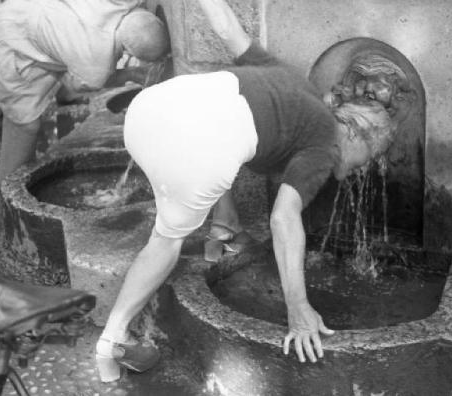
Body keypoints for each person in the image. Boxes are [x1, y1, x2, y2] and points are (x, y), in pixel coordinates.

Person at [96, 0, 396, 382]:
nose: (364, 168)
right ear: (354, 133)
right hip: (191, 152)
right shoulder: (325, 144)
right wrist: (298, 308)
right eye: (370, 156)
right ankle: (110, 342)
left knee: (221, 153)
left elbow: (227, 28)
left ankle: (223, 229)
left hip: (146, 113)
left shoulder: (288, 79)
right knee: (164, 244)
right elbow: (283, 218)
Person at [0, 0, 169, 187]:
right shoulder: (96, 65)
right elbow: (73, 83)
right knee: (25, 124)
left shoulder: (122, 3)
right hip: (13, 38)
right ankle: (8, 192)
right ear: (128, 51)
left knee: (1, 78)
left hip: (20, 10)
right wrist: (132, 74)